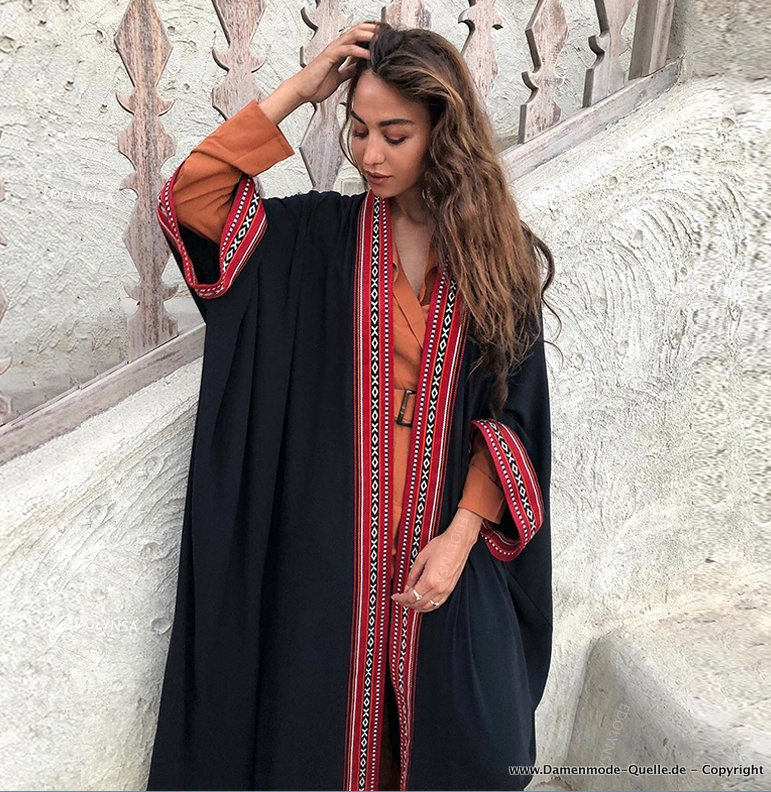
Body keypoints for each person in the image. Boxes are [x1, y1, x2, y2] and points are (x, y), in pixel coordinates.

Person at [147, 20, 556, 792]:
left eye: (395, 135)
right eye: (358, 129)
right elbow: (193, 197)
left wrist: (461, 536)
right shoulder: (312, 241)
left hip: (442, 540)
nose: (370, 154)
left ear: (442, 133)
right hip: (325, 555)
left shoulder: (494, 256)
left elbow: (513, 413)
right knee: (320, 741)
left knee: (471, 740)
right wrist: (301, 89)